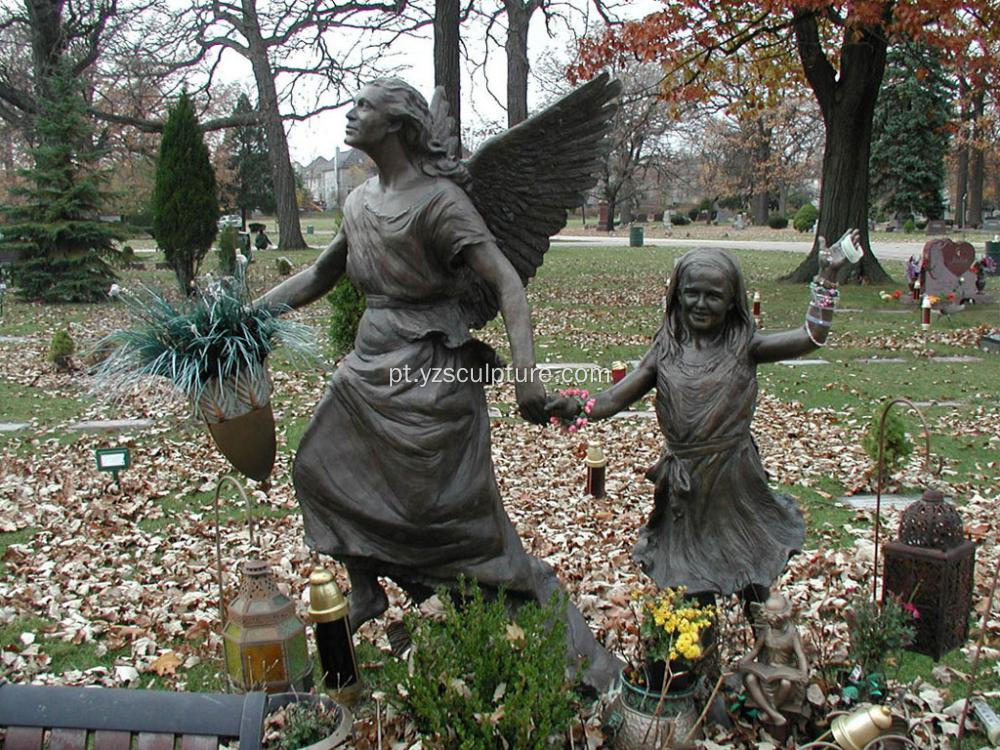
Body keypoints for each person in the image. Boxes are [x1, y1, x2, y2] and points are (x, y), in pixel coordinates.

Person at [258, 78, 621, 690]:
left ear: (397, 124)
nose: (350, 116)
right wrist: (244, 318)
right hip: (368, 370)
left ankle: (564, 649)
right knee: (317, 467)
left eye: (364, 108)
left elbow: (506, 282)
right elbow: (321, 273)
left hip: (431, 380)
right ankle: (365, 589)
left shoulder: (441, 202)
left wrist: (526, 377)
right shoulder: (358, 202)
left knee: (451, 526)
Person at [547, 240, 855, 607]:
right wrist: (575, 406)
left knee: (748, 562)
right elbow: (615, 397)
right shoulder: (666, 348)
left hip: (734, 477)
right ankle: (697, 648)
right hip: (685, 484)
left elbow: (810, 338)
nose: (701, 304)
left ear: (731, 301)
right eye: (692, 293)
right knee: (691, 577)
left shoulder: (746, 347)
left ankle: (768, 642)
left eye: (713, 296)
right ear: (677, 296)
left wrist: (828, 277)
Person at [738, 593, 809, 725]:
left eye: (777, 620)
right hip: (767, 671)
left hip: (785, 672)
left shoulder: (792, 632)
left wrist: (803, 673)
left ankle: (770, 712)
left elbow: (800, 654)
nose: (773, 622)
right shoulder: (767, 630)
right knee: (750, 679)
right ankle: (774, 714)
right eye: (770, 619)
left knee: (785, 684)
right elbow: (755, 650)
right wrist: (743, 661)